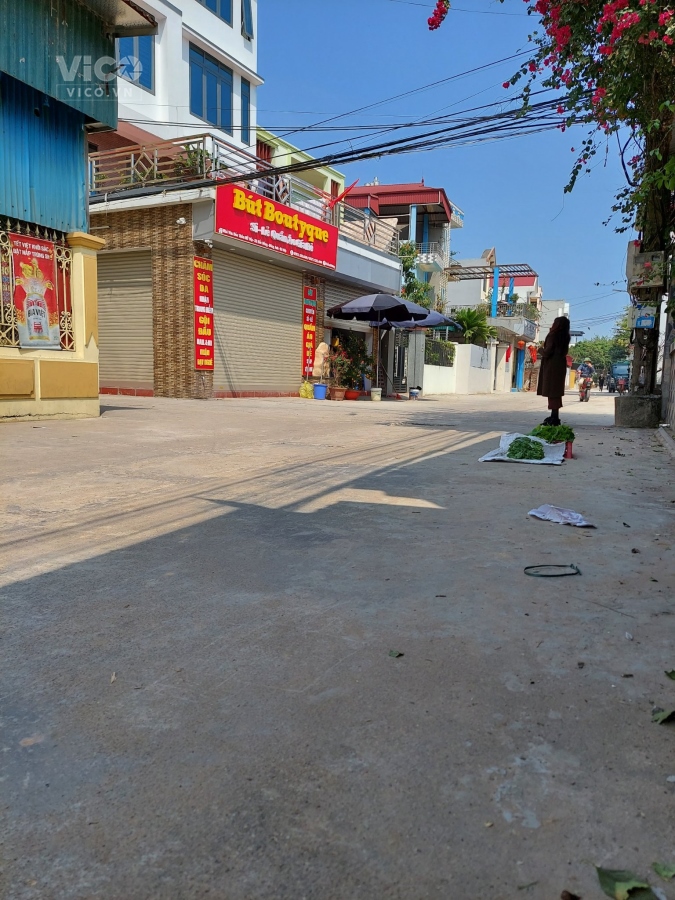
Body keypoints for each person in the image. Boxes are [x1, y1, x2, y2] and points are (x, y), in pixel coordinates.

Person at [537, 316, 571, 425]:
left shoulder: (553, 335)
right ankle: (554, 415)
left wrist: (539, 349)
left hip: (551, 366)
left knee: (551, 391)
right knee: (556, 392)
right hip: (560, 366)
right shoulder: (566, 337)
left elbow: (547, 352)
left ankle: (554, 418)